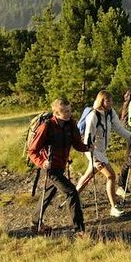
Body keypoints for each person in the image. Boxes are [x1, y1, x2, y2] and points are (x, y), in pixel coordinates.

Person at [27, 98, 89, 236]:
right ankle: (79, 230)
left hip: (60, 166)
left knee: (49, 193)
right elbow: (32, 150)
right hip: (50, 168)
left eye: (69, 110)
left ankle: (35, 222)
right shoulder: (46, 126)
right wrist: (42, 162)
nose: (68, 114)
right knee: (72, 191)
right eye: (65, 111)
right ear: (56, 112)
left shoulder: (71, 124)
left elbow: (77, 144)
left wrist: (87, 147)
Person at [75, 90, 131, 217]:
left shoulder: (110, 112)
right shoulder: (93, 116)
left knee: (87, 177)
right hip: (95, 153)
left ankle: (73, 197)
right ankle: (114, 207)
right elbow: (87, 142)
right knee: (111, 176)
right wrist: (95, 160)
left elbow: (118, 128)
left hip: (101, 151)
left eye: (111, 100)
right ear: (101, 101)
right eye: (107, 100)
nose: (110, 103)